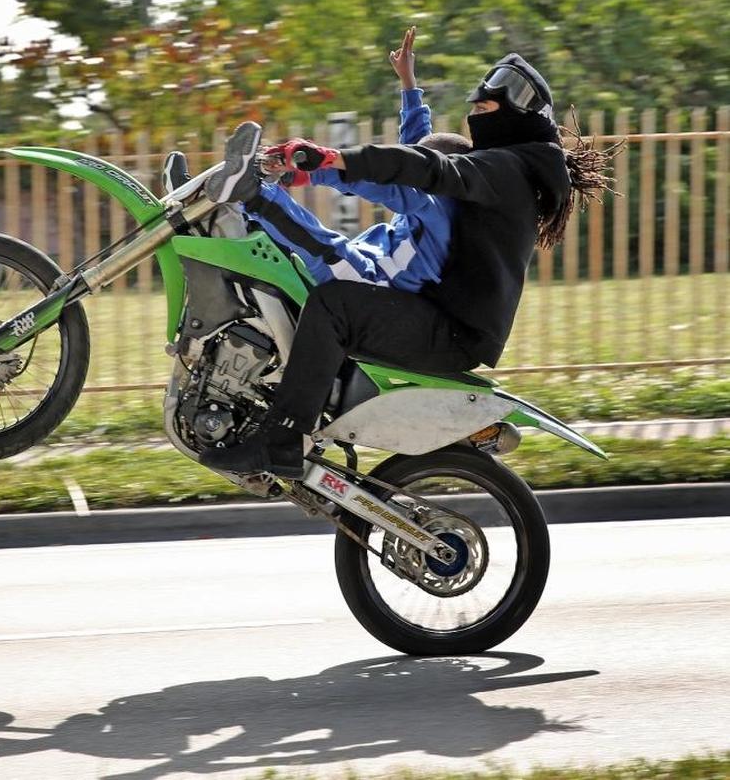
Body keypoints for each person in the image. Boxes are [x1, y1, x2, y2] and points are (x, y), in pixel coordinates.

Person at [202, 52, 608, 479]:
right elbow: (419, 152)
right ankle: (237, 211)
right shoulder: (503, 171)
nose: (476, 115)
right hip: (434, 312)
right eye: (472, 109)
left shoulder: (506, 171)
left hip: (449, 332)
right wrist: (410, 88)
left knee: (332, 294)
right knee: (299, 267)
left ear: (522, 114)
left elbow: (417, 168)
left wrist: (326, 161)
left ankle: (283, 440)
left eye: (484, 108)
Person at [245, 26, 467, 292]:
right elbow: (412, 151)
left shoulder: (434, 207)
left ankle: (253, 195)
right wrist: (409, 84)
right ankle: (227, 213)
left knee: (324, 248)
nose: (412, 168)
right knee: (274, 240)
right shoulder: (434, 188)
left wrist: (310, 172)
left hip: (376, 284)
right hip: (368, 261)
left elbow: (374, 181)